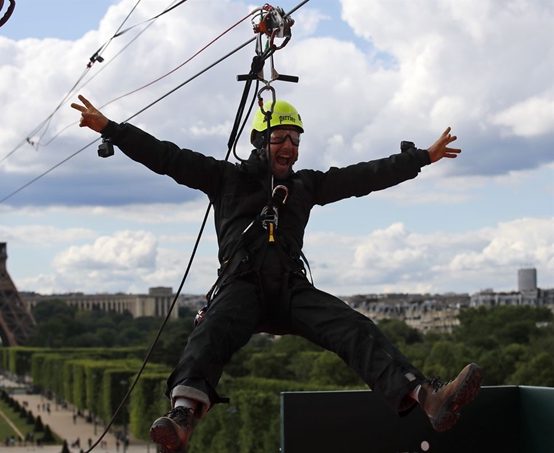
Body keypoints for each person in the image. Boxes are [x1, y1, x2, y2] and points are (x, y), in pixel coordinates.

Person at [71, 95, 483, 452]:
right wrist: (112, 129)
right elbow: (166, 157)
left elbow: (363, 176)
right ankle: (182, 418)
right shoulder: (225, 178)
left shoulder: (306, 186)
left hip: (290, 289)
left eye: (296, 140)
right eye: (282, 139)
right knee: (210, 332)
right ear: (260, 143)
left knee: (353, 327)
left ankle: (429, 398)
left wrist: (421, 158)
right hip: (242, 286)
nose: (290, 147)